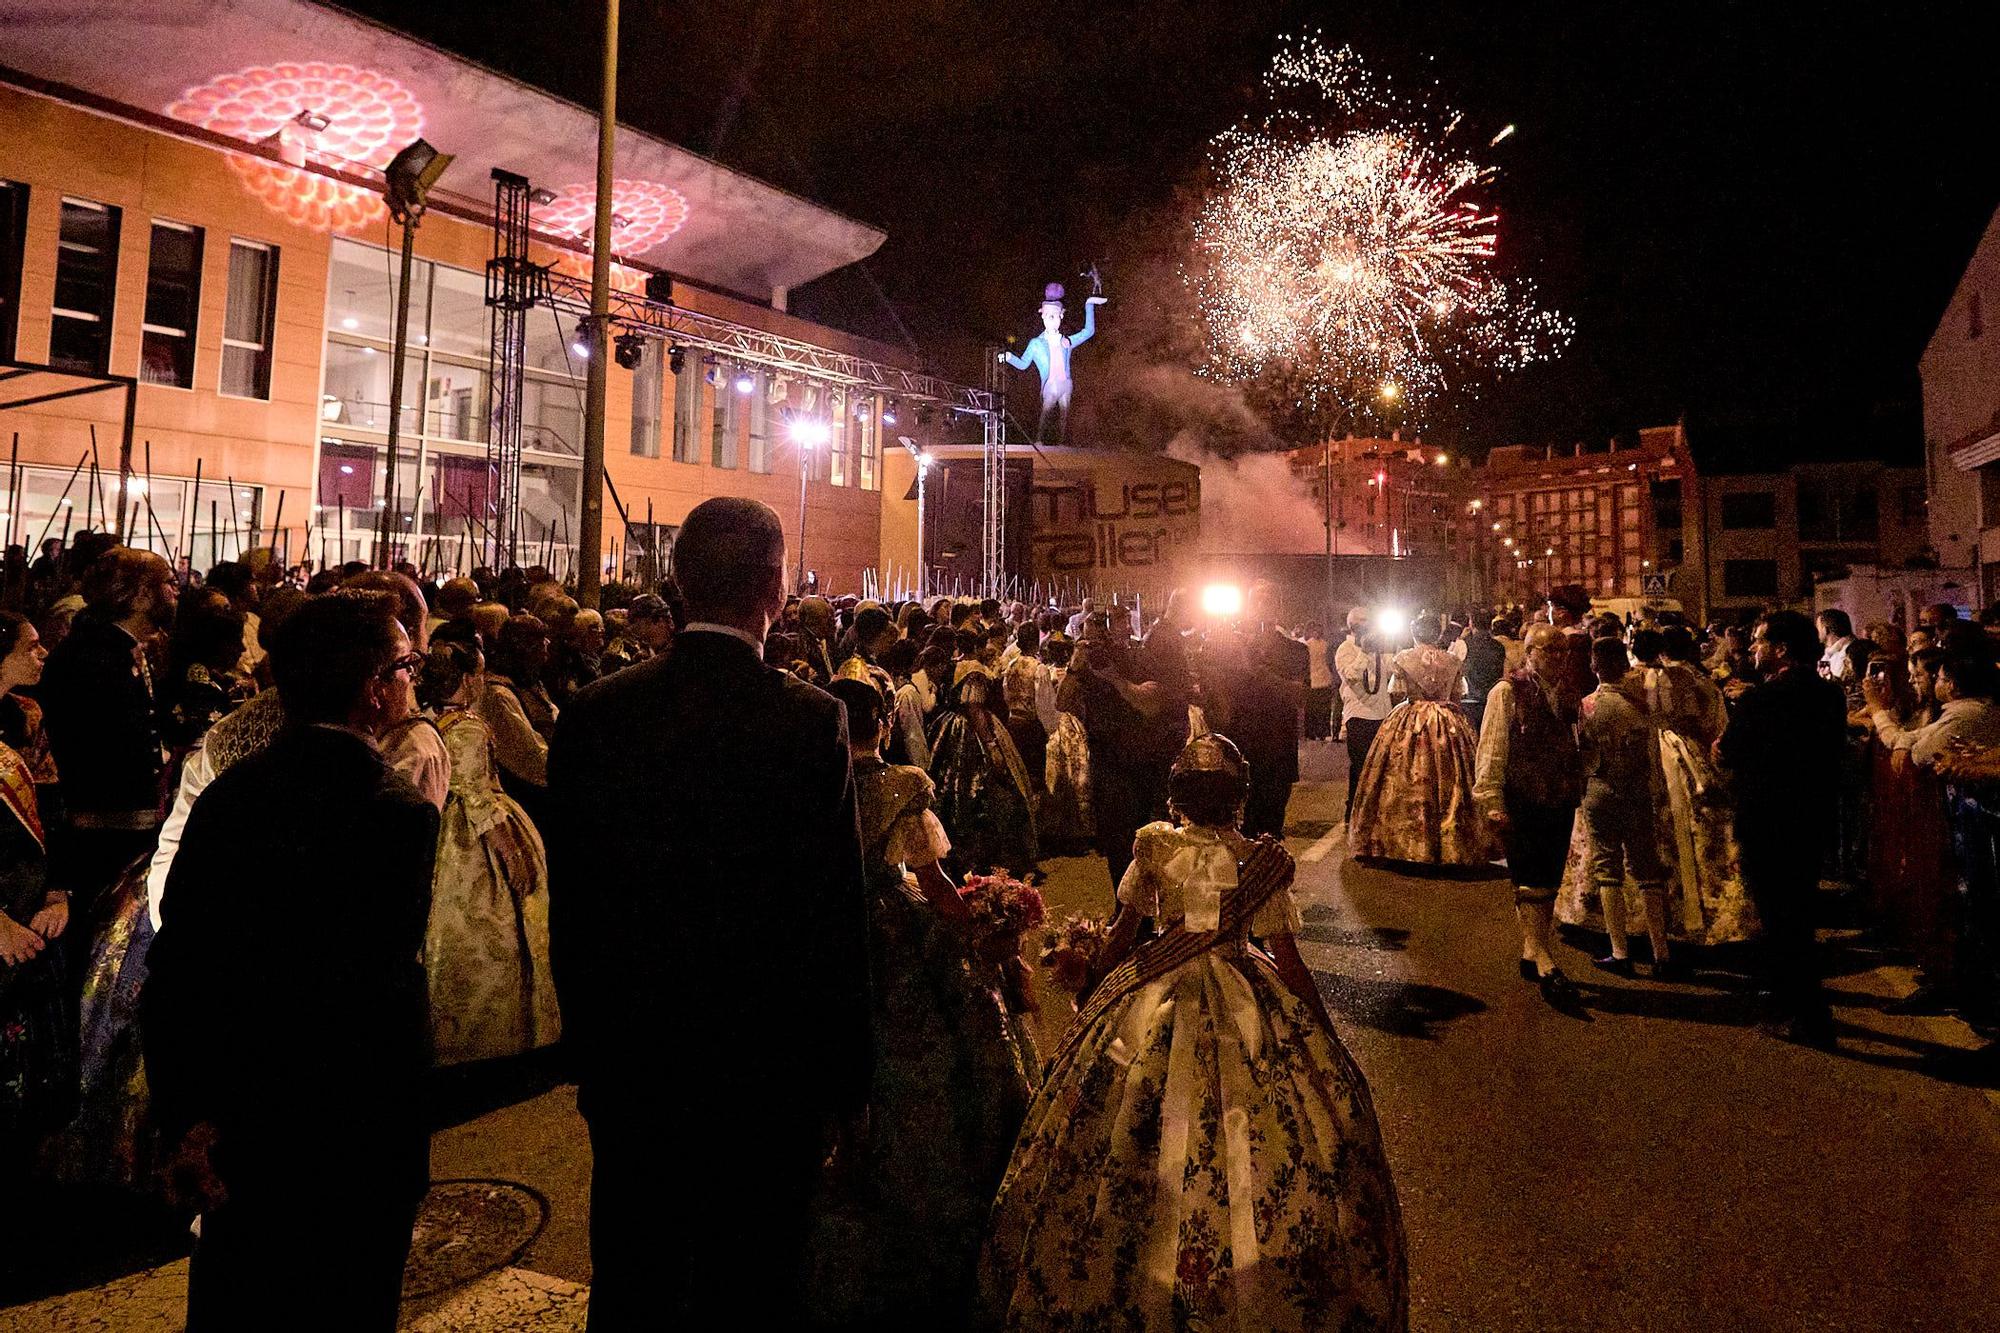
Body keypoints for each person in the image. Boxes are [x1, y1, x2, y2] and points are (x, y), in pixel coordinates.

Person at [546, 497, 870, 1328]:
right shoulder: (809, 719)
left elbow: (574, 902)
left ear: (679, 583)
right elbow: (833, 916)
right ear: (774, 587)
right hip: (766, 1065)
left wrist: (589, 1047)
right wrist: (847, 1080)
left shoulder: (595, 713)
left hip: (636, 1057)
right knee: (754, 1278)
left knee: (636, 1270)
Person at [976, 734, 1407, 1331]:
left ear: (1175, 797)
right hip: (1244, 991)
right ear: (1240, 799)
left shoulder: (1155, 847)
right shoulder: (1258, 861)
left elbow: (1125, 932)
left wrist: (1091, 968)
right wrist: (1326, 1039)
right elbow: (1288, 959)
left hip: (1155, 996)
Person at [142, 590, 440, 1330]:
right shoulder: (394, 811)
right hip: (347, 1132)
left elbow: (178, 972)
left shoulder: (229, 797)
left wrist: (188, 1117)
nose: (415, 678)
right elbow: (378, 992)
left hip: (242, 1120)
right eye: (407, 664)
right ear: (374, 686)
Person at [811, 680, 1039, 1325]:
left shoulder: (807, 771)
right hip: (889, 922)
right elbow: (932, 878)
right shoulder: (903, 783)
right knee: (929, 1041)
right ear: (882, 722)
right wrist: (979, 925)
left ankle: (838, 1149)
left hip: (825, 918)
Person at [419, 626, 560, 1065]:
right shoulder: (468, 728)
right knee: (502, 926)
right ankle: (495, 1037)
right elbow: (478, 797)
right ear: (466, 680)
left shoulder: (429, 720)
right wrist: (512, 852)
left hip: (445, 831)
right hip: (479, 833)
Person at [39, 547, 176, 967]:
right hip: (101, 839)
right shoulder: (91, 658)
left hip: (130, 830)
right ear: (136, 594)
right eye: (167, 583)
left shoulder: (123, 650)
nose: (175, 592)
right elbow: (100, 753)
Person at [1718, 610, 1846, 1047]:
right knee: (1799, 914)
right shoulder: (1829, 696)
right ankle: (1789, 1002)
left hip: (1768, 819)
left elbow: (1729, 753)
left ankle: (1807, 1014)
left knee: (1780, 920)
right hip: (1812, 818)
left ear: (1781, 649)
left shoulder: (1761, 700)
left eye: (1759, 641)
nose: (1752, 649)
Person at [1474, 624, 1585, 1008]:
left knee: (1549, 878)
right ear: (1529, 652)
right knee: (1529, 876)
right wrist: (1491, 799)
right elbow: (1492, 748)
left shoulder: (1569, 694)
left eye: (1562, 651)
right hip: (1523, 796)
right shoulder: (1507, 692)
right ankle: (1545, 959)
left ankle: (1532, 950)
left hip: (1560, 796)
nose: (1557, 658)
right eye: (1548, 650)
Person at [1, 611, 76, 1160]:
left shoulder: (27, 719)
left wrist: (58, 892)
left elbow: (52, 813)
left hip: (28, 913)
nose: (43, 653)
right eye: (30, 646)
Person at [1571, 638, 1677, 977]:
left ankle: (1620, 951)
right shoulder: (1642, 708)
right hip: (1637, 791)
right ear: (1625, 667)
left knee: (1608, 866)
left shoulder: (1585, 707)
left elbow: (1578, 755)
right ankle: (1661, 952)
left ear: (1594, 666)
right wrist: (1659, 794)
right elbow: (1653, 759)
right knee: (1646, 867)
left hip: (1600, 789)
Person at [1348, 614, 1487, 865]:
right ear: (1438, 635)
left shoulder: (1403, 658)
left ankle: (1405, 842)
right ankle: (1451, 843)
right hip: (1447, 721)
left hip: (1412, 718)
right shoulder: (1453, 660)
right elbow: (1458, 693)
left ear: (1415, 634)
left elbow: (1396, 692)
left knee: (1401, 778)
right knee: (1452, 778)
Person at [929, 627, 1040, 877]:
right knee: (991, 792)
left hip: (948, 726)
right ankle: (988, 855)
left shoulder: (954, 665)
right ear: (979, 647)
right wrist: (991, 745)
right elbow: (975, 708)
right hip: (971, 733)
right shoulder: (975, 671)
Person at [1866, 652, 2000, 767]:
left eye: (1938, 678)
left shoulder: (1967, 713)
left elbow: (1919, 754)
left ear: (1951, 685)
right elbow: (1914, 736)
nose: (1911, 681)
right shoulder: (1964, 709)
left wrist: (1877, 709)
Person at [1337, 607, 1395, 816]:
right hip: (1359, 715)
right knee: (1360, 766)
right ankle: (1355, 810)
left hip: (1382, 714)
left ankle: (1377, 809)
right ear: (1352, 626)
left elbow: (1393, 669)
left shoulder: (1379, 648)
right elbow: (1350, 676)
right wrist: (1364, 651)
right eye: (1362, 622)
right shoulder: (1345, 649)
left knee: (1382, 767)